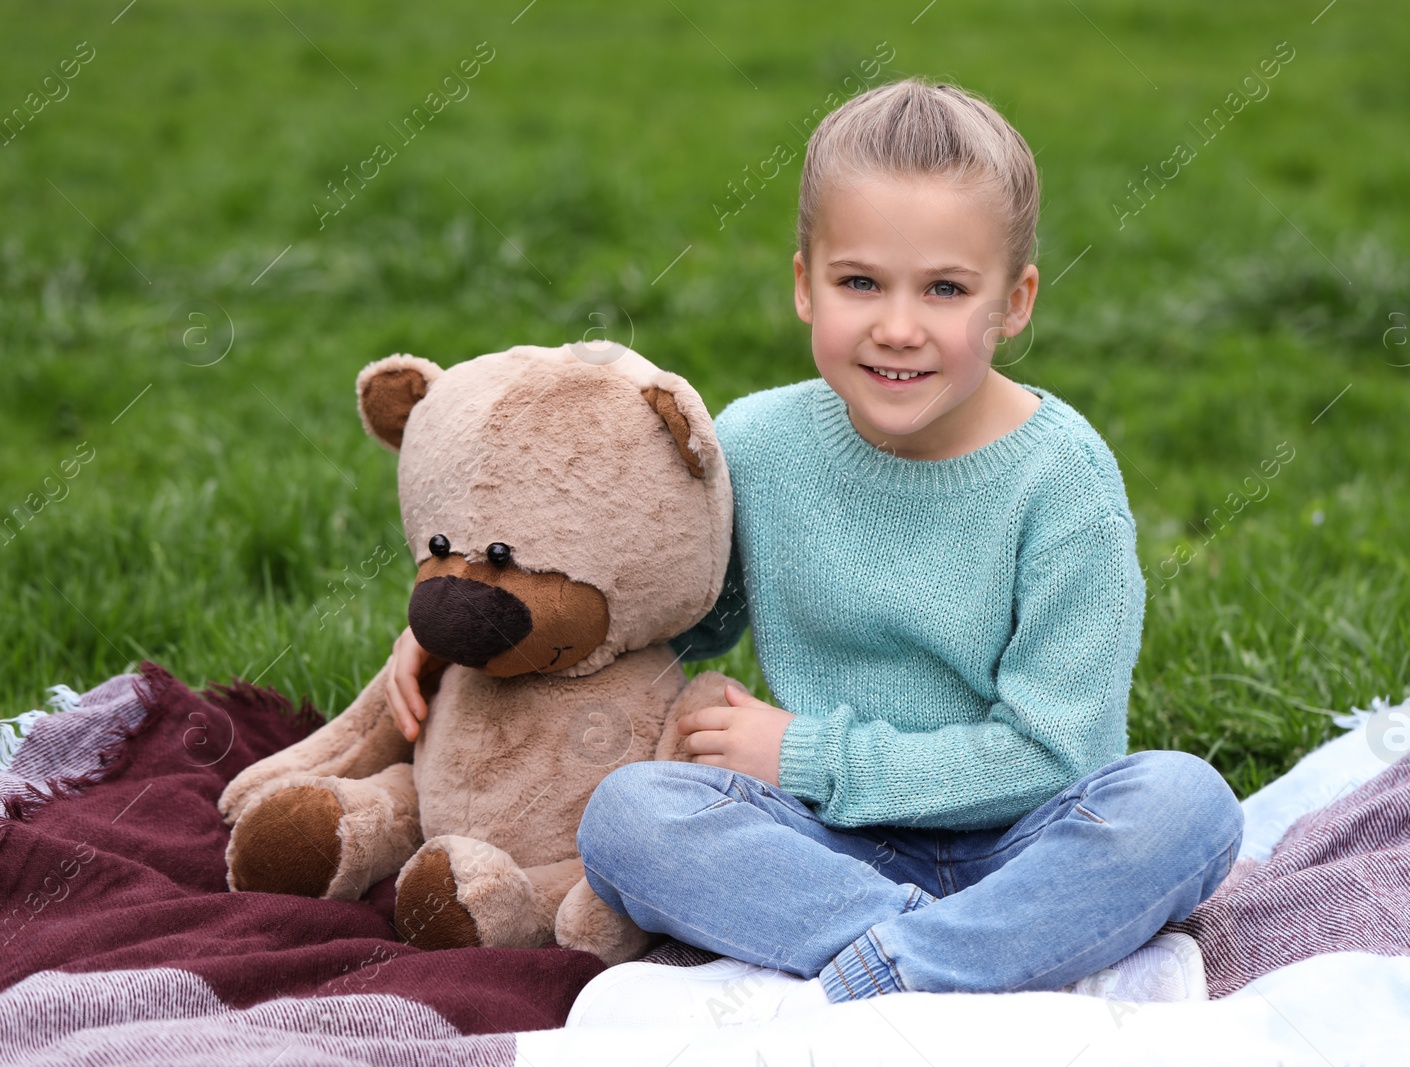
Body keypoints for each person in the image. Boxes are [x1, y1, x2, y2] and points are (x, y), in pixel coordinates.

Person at [387, 77, 1243, 1028]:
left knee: (1186, 805)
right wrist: (474, 623)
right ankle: (969, 954)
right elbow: (667, 619)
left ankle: (891, 968)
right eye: (860, 281)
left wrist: (803, 752)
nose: (899, 326)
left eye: (948, 289)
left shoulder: (1064, 481)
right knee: (630, 819)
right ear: (805, 283)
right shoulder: (761, 446)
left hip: (1025, 843)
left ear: (1015, 301)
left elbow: (1056, 751)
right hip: (818, 846)